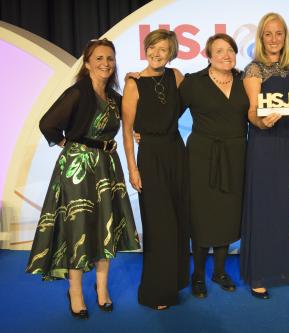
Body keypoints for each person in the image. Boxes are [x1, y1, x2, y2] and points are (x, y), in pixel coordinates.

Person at [26, 38, 141, 319]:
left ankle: (102, 290)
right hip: (78, 168)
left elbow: (131, 123)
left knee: (105, 225)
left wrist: (137, 85)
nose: (105, 63)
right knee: (77, 228)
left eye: (110, 59)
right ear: (87, 62)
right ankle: (75, 291)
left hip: (107, 168)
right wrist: (70, 145)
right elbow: (47, 123)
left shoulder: (115, 97)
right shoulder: (77, 92)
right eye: (99, 58)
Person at [122, 29, 189, 310]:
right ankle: (155, 292)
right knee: (159, 224)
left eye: (163, 49)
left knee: (178, 220)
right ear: (146, 49)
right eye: (153, 48)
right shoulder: (134, 83)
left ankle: (174, 283)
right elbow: (127, 131)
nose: (157, 53)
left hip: (177, 152)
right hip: (150, 157)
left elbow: (192, 102)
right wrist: (133, 168)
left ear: (171, 53)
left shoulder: (176, 77)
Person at [179, 33, 249, 298]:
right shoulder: (193, 82)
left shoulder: (245, 81)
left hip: (236, 155)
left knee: (227, 213)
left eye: (230, 50)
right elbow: (167, 113)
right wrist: (144, 131)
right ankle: (198, 274)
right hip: (201, 157)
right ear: (208, 55)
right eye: (219, 51)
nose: (226, 55)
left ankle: (219, 271)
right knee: (202, 215)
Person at [239, 12, 289, 299]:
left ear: (285, 37)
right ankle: (259, 273)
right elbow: (252, 111)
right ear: (261, 38)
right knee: (263, 206)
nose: (274, 39)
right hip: (264, 142)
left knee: (284, 206)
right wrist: (261, 123)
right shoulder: (254, 70)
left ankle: (282, 268)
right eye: (268, 34)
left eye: (279, 33)